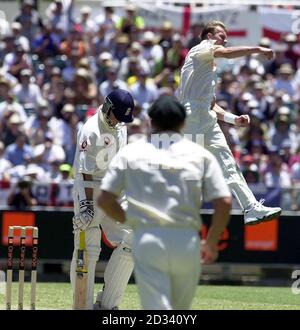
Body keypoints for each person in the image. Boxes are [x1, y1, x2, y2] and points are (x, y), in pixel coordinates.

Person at [97, 95, 232, 310]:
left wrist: (130, 219)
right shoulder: (200, 154)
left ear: (152, 122)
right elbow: (224, 202)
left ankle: (105, 306)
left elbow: (104, 199)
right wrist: (211, 242)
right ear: (182, 123)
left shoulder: (133, 151)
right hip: (186, 242)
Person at [178, 20, 281, 225]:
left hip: (205, 119)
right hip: (190, 117)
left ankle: (251, 207)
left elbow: (212, 106)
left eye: (225, 37)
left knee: (228, 163)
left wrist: (235, 119)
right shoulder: (202, 48)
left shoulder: (207, 72)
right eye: (220, 36)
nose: (224, 40)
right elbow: (226, 53)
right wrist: (257, 48)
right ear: (209, 36)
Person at [70, 89, 135, 310]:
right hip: (89, 187)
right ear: (107, 108)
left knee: (133, 239)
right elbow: (85, 173)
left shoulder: (121, 126)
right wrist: (86, 206)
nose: (119, 122)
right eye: (117, 115)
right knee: (89, 244)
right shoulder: (90, 130)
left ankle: (107, 305)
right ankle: (83, 305)